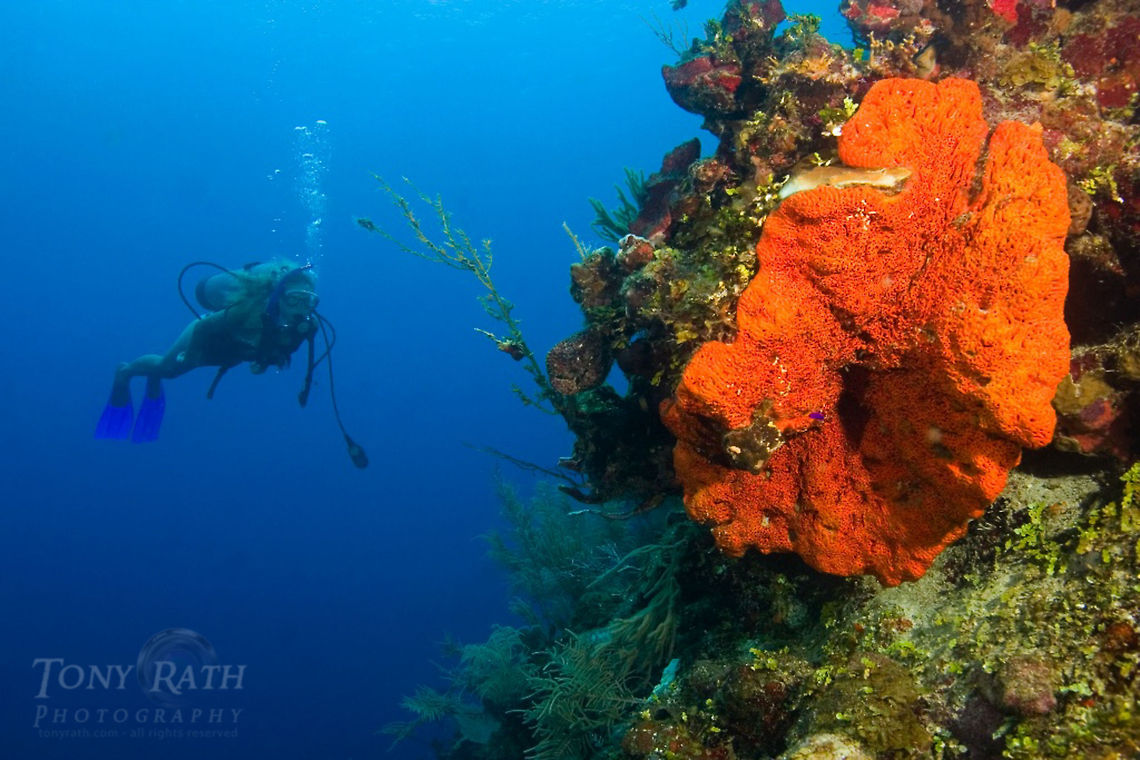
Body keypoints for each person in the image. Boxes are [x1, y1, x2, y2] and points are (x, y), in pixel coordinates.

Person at [96, 260, 320, 443]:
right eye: (294, 299)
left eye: (309, 300)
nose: (301, 307)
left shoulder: (305, 327)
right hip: (207, 340)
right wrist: (192, 355)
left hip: (232, 353)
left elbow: (282, 350)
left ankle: (154, 377)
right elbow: (205, 327)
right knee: (168, 368)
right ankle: (124, 372)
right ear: (279, 296)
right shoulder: (246, 311)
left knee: (168, 371)